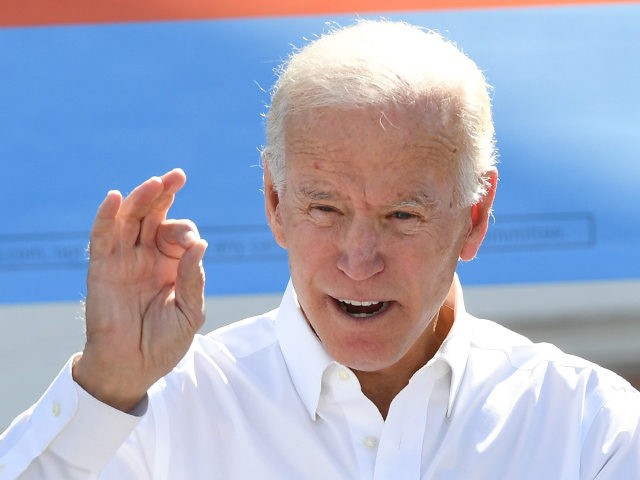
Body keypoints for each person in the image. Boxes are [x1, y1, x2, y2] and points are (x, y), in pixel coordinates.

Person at [1, 19, 638, 479]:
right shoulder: (158, 410)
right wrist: (105, 386)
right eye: (326, 209)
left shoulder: (590, 429)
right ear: (275, 204)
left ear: (475, 217)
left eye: (402, 215)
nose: (359, 259)